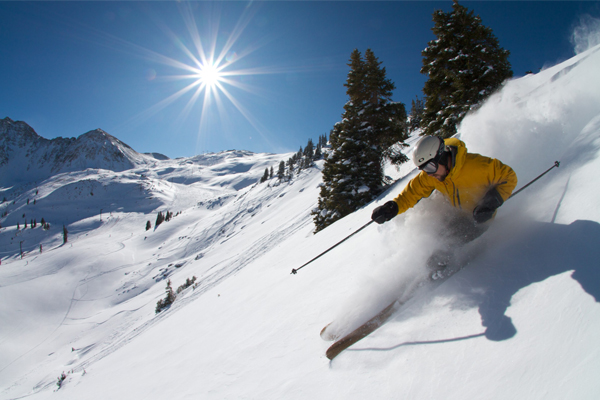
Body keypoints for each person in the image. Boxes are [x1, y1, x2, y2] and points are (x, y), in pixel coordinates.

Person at [371, 136, 518, 276]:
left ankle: (443, 273)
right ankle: (421, 270)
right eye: (423, 169)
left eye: (429, 167)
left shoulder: (477, 166)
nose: (428, 174)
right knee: (431, 238)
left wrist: (489, 204)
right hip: (455, 214)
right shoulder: (432, 175)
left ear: (442, 157)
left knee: (444, 247)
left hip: (478, 218)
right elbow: (411, 193)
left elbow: (509, 177)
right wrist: (393, 207)